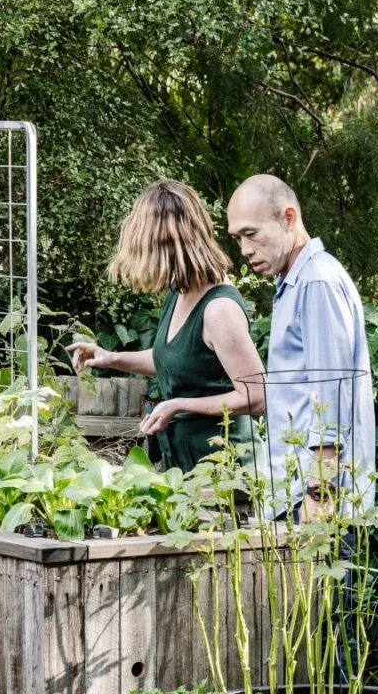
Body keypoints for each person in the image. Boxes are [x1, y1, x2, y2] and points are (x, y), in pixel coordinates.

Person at [69, 180, 266, 474]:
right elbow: (177, 359)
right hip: (187, 469)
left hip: (227, 476)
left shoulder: (218, 310)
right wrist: (111, 358)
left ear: (165, 246)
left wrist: (176, 405)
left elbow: (256, 396)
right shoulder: (180, 291)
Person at [226, 174, 375, 515]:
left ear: (288, 218)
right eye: (237, 238)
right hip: (292, 494)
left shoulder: (316, 281)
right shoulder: (293, 283)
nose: (245, 249)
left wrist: (319, 493)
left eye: (252, 234)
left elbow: (332, 396)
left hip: (314, 503)